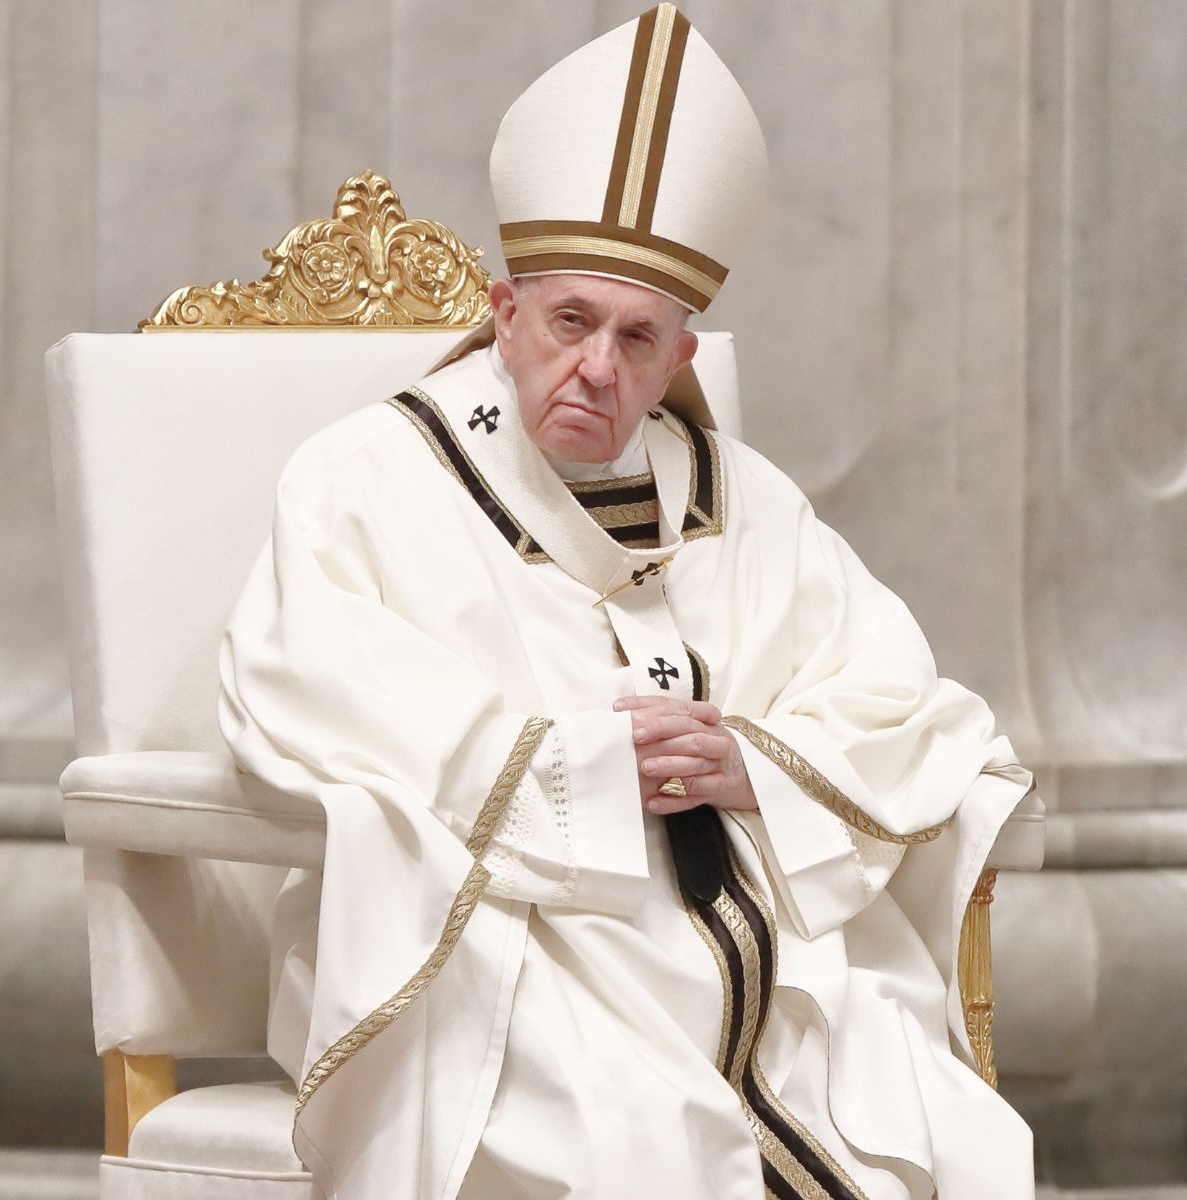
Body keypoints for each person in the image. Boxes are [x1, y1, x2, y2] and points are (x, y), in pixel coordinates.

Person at [216, 5, 1034, 1198]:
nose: (596, 367)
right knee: (640, 1138)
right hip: (490, 938)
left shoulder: (740, 499)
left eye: (636, 337)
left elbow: (912, 706)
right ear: (503, 315)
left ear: (679, 360)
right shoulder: (366, 479)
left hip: (747, 933)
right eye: (568, 322)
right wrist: (584, 779)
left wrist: (753, 765)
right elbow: (298, 689)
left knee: (925, 1120)